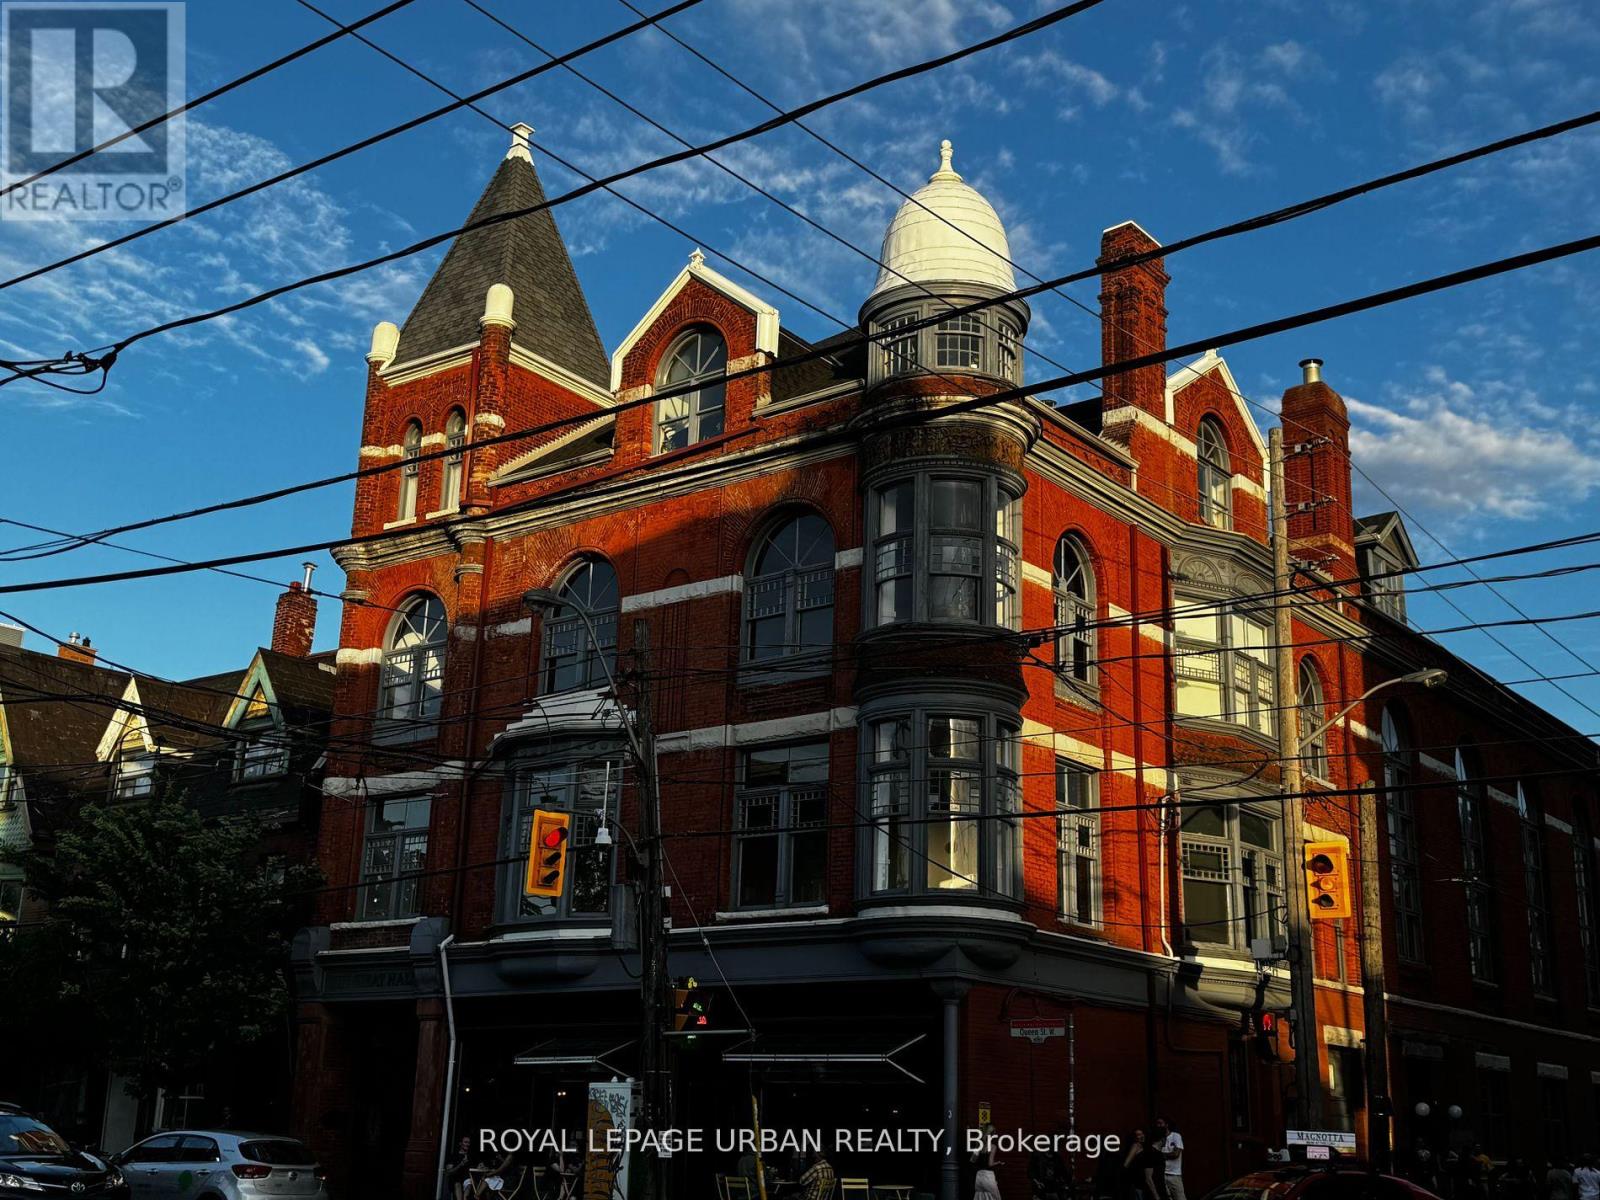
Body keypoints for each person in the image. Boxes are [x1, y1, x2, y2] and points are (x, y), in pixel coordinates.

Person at [1153, 1117, 1184, 1200]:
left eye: (1160, 1123)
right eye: (1157, 1124)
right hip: (1161, 1175)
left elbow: (1176, 1154)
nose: (1158, 1126)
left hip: (1174, 1175)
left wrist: (1160, 1155)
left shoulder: (1175, 1136)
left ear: (1166, 1125)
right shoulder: (1157, 1139)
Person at [972, 1124, 1003, 1200]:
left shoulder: (978, 1145)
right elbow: (990, 1164)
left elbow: (973, 1160)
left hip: (979, 1176)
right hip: (988, 1176)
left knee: (980, 1197)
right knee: (995, 1198)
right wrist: (998, 1162)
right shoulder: (993, 1146)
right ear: (992, 1134)